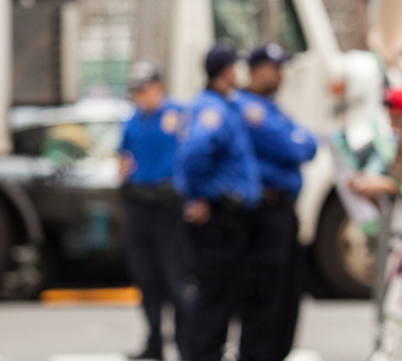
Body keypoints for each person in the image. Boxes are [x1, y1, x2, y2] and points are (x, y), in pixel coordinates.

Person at [174, 43, 262, 361]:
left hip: (225, 217)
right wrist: (199, 195)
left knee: (220, 295)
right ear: (226, 72)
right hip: (220, 220)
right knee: (215, 297)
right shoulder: (213, 110)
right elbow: (194, 154)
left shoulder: (218, 105)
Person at [234, 43, 317, 361]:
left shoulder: (272, 109)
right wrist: (295, 140)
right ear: (257, 70)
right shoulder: (247, 108)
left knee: (287, 295)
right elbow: (293, 147)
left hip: (283, 210)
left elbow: (309, 142)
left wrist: (297, 140)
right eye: (275, 68)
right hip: (263, 214)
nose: (281, 75)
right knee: (265, 297)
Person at [118, 61, 191, 361]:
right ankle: (154, 342)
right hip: (139, 203)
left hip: (169, 204)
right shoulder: (132, 122)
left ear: (159, 86)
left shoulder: (178, 115)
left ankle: (187, 344)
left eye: (144, 89)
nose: (140, 96)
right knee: (146, 279)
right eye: (136, 90)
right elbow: (123, 158)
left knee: (175, 278)